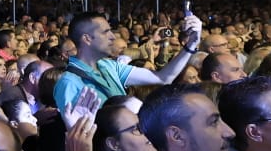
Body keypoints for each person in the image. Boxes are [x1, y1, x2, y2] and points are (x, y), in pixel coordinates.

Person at [53, 11, 204, 114]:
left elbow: (163, 78)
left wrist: (191, 46)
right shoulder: (69, 83)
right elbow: (77, 134)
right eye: (106, 32)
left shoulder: (109, 66)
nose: (113, 37)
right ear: (87, 39)